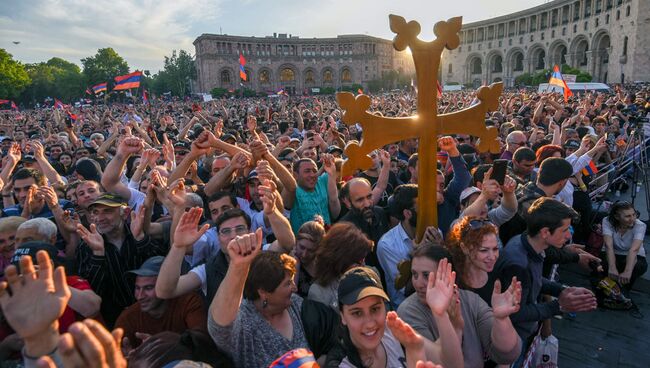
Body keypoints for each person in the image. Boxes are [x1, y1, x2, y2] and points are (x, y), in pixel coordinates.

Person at [207, 231, 337, 367]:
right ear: (264, 292)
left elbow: (330, 344)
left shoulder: (296, 305)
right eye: (287, 283)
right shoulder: (245, 322)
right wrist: (238, 266)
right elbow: (218, 327)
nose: (295, 288)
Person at [491, 198, 597, 362]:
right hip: (514, 340)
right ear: (545, 232)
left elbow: (534, 279)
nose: (569, 235)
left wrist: (561, 290)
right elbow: (517, 313)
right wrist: (559, 305)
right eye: (564, 230)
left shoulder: (526, 241)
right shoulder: (519, 264)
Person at [397, 244, 522, 368]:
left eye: (426, 275)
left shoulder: (470, 300)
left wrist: (501, 320)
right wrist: (453, 325)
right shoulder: (408, 311)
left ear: (449, 276)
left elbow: (507, 354)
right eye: (414, 275)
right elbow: (439, 364)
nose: (418, 284)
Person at [74, 193, 168, 327]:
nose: (100, 218)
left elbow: (163, 268)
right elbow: (92, 293)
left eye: (107, 211)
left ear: (125, 213)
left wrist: (140, 239)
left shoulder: (140, 231)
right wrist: (98, 254)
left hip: (155, 314)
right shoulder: (86, 245)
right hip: (115, 322)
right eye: (95, 212)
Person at [332, 266, 442, 368]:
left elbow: (446, 358)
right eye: (357, 313)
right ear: (343, 317)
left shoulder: (393, 333)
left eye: (375, 309)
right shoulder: (342, 364)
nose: (370, 323)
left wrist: (414, 350)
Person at [115, 256, 207, 350]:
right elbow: (113, 352)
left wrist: (164, 346)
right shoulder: (128, 317)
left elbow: (202, 341)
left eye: (148, 288)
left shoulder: (188, 301)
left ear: (166, 286)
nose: (140, 296)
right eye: (137, 288)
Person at [308, 222, 374, 309]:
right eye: (358, 261)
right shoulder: (319, 293)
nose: (363, 266)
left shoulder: (371, 276)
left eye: (364, 259)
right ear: (341, 260)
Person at [601, 201, 647, 291]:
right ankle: (606, 289)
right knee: (604, 266)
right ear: (616, 217)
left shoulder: (640, 225)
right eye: (627, 216)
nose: (632, 219)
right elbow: (608, 245)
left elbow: (634, 249)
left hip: (633, 255)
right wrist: (612, 267)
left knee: (636, 267)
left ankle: (623, 291)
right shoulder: (607, 221)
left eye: (634, 214)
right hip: (613, 252)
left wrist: (627, 272)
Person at [287, 155, 340, 232]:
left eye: (314, 171)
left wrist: (330, 161)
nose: (312, 174)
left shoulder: (321, 182)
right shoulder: (291, 191)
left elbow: (335, 213)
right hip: (302, 242)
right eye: (307, 171)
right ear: (295, 175)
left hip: (327, 239)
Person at [294, 220, 325, 297]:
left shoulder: (325, 265)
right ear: (296, 242)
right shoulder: (287, 262)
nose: (304, 255)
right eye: (301, 247)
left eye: (311, 251)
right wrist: (295, 266)